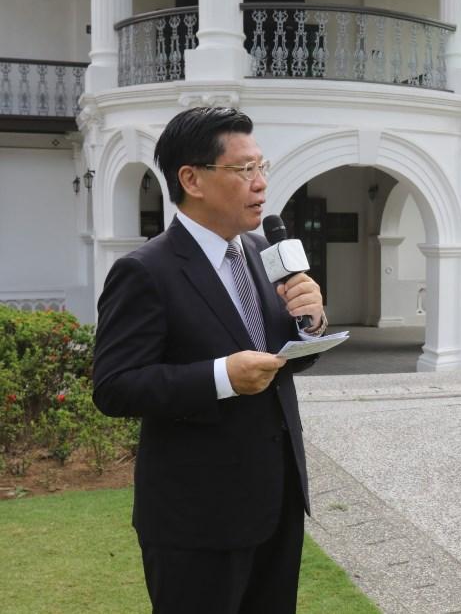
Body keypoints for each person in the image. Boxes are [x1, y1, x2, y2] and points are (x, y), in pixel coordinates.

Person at [93, 106, 327, 613]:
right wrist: (222, 377)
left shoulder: (264, 250)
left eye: (262, 166)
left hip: (276, 504)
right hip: (195, 520)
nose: (260, 183)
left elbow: (279, 357)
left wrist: (310, 323)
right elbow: (114, 386)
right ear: (191, 179)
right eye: (245, 170)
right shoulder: (144, 271)